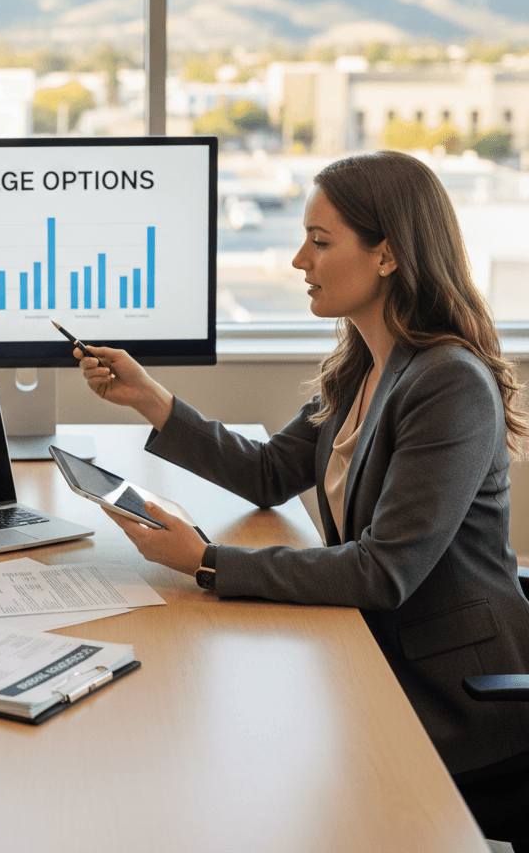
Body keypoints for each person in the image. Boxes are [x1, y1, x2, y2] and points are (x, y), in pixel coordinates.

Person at [77, 149, 529, 846]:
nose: (298, 260)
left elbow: (384, 571)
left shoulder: (448, 384)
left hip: (452, 701)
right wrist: (150, 399)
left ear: (387, 255)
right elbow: (267, 473)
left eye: (320, 243)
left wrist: (207, 562)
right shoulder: (362, 367)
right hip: (366, 660)